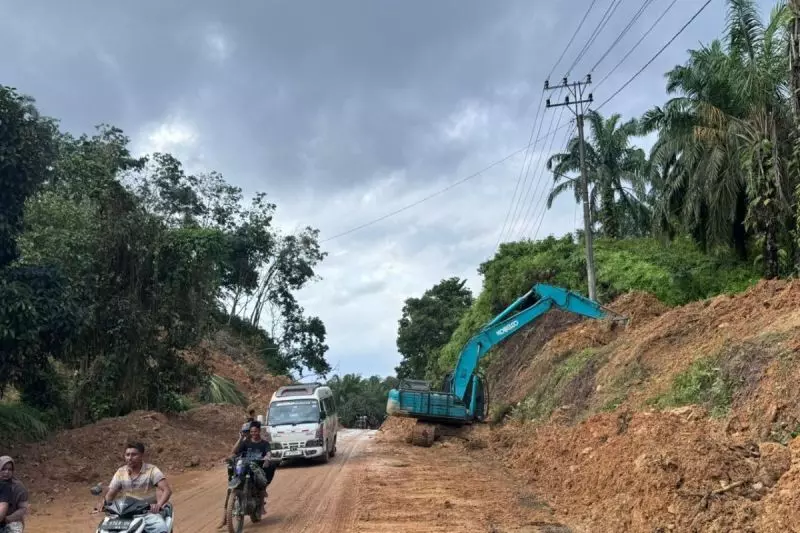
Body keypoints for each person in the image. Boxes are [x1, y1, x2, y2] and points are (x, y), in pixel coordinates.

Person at [98, 441, 173, 533]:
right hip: (124, 513)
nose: (130, 458)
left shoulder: (152, 470)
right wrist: (103, 504)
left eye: (134, 455)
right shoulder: (120, 472)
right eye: (127, 455)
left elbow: (167, 490)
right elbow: (111, 493)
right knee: (103, 530)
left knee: (160, 528)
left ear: (142, 455)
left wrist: (158, 505)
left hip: (147, 513)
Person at [0, 456, 29, 533]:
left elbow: (23, 509)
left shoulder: (18, 487)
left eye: (10, 469)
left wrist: (7, 519)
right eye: (3, 469)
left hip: (13, 522)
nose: (6, 472)